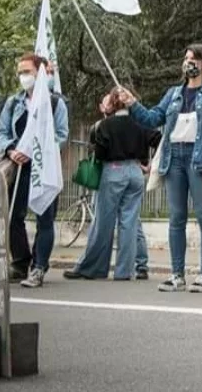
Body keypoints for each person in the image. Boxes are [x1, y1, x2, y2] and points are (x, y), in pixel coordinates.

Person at [121, 44, 202, 293]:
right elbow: (152, 118)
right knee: (176, 218)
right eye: (186, 58)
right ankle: (177, 275)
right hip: (174, 158)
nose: (187, 62)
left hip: (199, 159)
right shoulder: (173, 94)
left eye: (193, 59)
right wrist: (132, 103)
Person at [64, 88, 154, 281]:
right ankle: (124, 271)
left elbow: (100, 151)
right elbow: (157, 138)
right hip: (136, 173)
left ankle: (95, 268)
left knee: (103, 223)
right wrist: (147, 162)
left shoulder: (106, 125)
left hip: (113, 171)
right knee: (129, 224)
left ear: (113, 103)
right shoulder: (141, 123)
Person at [0, 54, 69, 287]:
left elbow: (61, 135)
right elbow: (2, 132)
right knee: (13, 216)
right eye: (20, 72)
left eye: (27, 71)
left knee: (44, 219)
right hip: (18, 166)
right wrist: (11, 150)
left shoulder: (56, 104)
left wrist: (37, 150)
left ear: (40, 73)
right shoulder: (13, 102)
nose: (23, 77)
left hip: (43, 167)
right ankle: (20, 262)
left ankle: (39, 266)